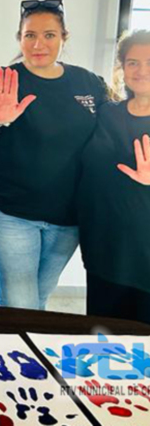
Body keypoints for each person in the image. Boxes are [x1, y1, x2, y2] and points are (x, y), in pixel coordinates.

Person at [0, 0, 109, 310]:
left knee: (39, 297)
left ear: (64, 37)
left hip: (69, 219)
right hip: (9, 214)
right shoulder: (3, 78)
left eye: (49, 35)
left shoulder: (89, 83)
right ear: (19, 38)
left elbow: (113, 132)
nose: (39, 44)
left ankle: (20, 342)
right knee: (20, 304)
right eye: (30, 35)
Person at [78, 29, 150, 323]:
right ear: (122, 66)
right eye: (133, 62)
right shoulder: (107, 112)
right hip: (103, 248)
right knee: (101, 336)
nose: (141, 70)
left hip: (145, 256)